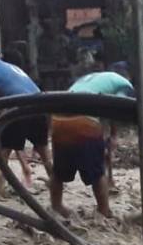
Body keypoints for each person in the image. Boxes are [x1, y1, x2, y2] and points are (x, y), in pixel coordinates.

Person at [49, 64, 134, 217]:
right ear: (128, 76)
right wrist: (113, 135)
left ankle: (56, 206)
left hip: (58, 121)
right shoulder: (124, 83)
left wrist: (111, 134)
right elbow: (118, 104)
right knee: (97, 172)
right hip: (84, 122)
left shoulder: (89, 79)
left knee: (59, 172)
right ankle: (104, 210)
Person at [0, 56, 53, 194]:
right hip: (40, 104)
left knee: (3, 151)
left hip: (18, 105)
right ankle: (55, 183)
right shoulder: (11, 67)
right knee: (44, 152)